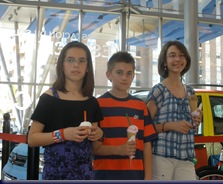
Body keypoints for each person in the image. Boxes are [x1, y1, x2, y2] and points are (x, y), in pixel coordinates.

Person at [27, 41, 104, 180]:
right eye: (70, 60)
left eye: (81, 61)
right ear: (62, 65)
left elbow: (95, 148)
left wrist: (98, 135)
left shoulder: (92, 102)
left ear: (87, 67)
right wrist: (63, 134)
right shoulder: (49, 98)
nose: (76, 65)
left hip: (84, 176)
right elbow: (32, 139)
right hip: (55, 175)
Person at [92, 51, 158, 180]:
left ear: (133, 76)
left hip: (135, 176)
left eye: (129, 73)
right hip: (104, 176)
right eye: (119, 72)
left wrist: (148, 178)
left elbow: (147, 145)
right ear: (108, 75)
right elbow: (94, 148)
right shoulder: (98, 105)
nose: (124, 78)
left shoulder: (141, 106)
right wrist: (119, 150)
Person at [147, 40, 202, 180]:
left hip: (186, 156)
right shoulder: (158, 90)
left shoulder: (190, 91)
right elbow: (145, 127)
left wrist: (196, 120)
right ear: (165, 62)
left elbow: (193, 124)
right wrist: (171, 125)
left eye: (181, 55)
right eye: (172, 55)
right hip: (161, 156)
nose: (177, 59)